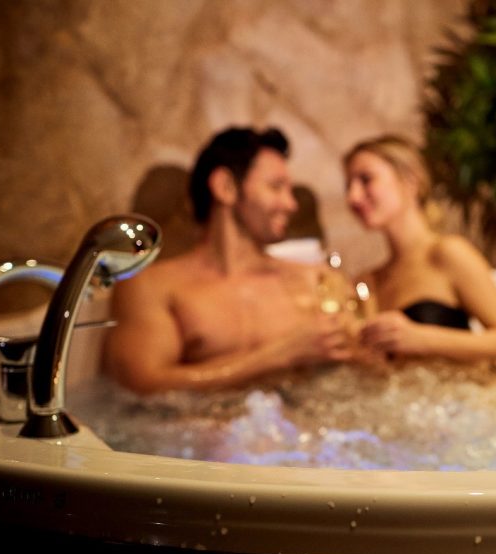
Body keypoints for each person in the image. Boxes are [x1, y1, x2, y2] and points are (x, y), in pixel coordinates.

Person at [103, 127, 354, 394]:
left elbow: (364, 371)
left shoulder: (314, 280)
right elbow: (144, 386)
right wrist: (280, 355)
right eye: (276, 187)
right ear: (226, 187)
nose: (291, 205)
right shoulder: (151, 286)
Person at [343, 134, 496, 365]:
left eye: (365, 179)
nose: (353, 196)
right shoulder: (369, 281)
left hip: (467, 395)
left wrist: (420, 338)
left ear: (410, 181)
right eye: (348, 185)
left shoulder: (448, 253)